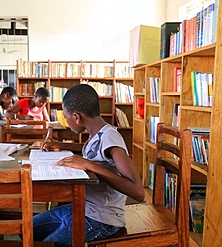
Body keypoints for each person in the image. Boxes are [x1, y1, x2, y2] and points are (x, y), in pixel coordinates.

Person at [34, 84, 144, 246]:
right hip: (81, 207)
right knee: (28, 229)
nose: (67, 122)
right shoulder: (97, 134)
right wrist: (63, 145)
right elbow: (95, 150)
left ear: (77, 117)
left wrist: (89, 165)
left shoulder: (111, 137)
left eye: (66, 117)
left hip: (102, 218)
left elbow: (138, 192)